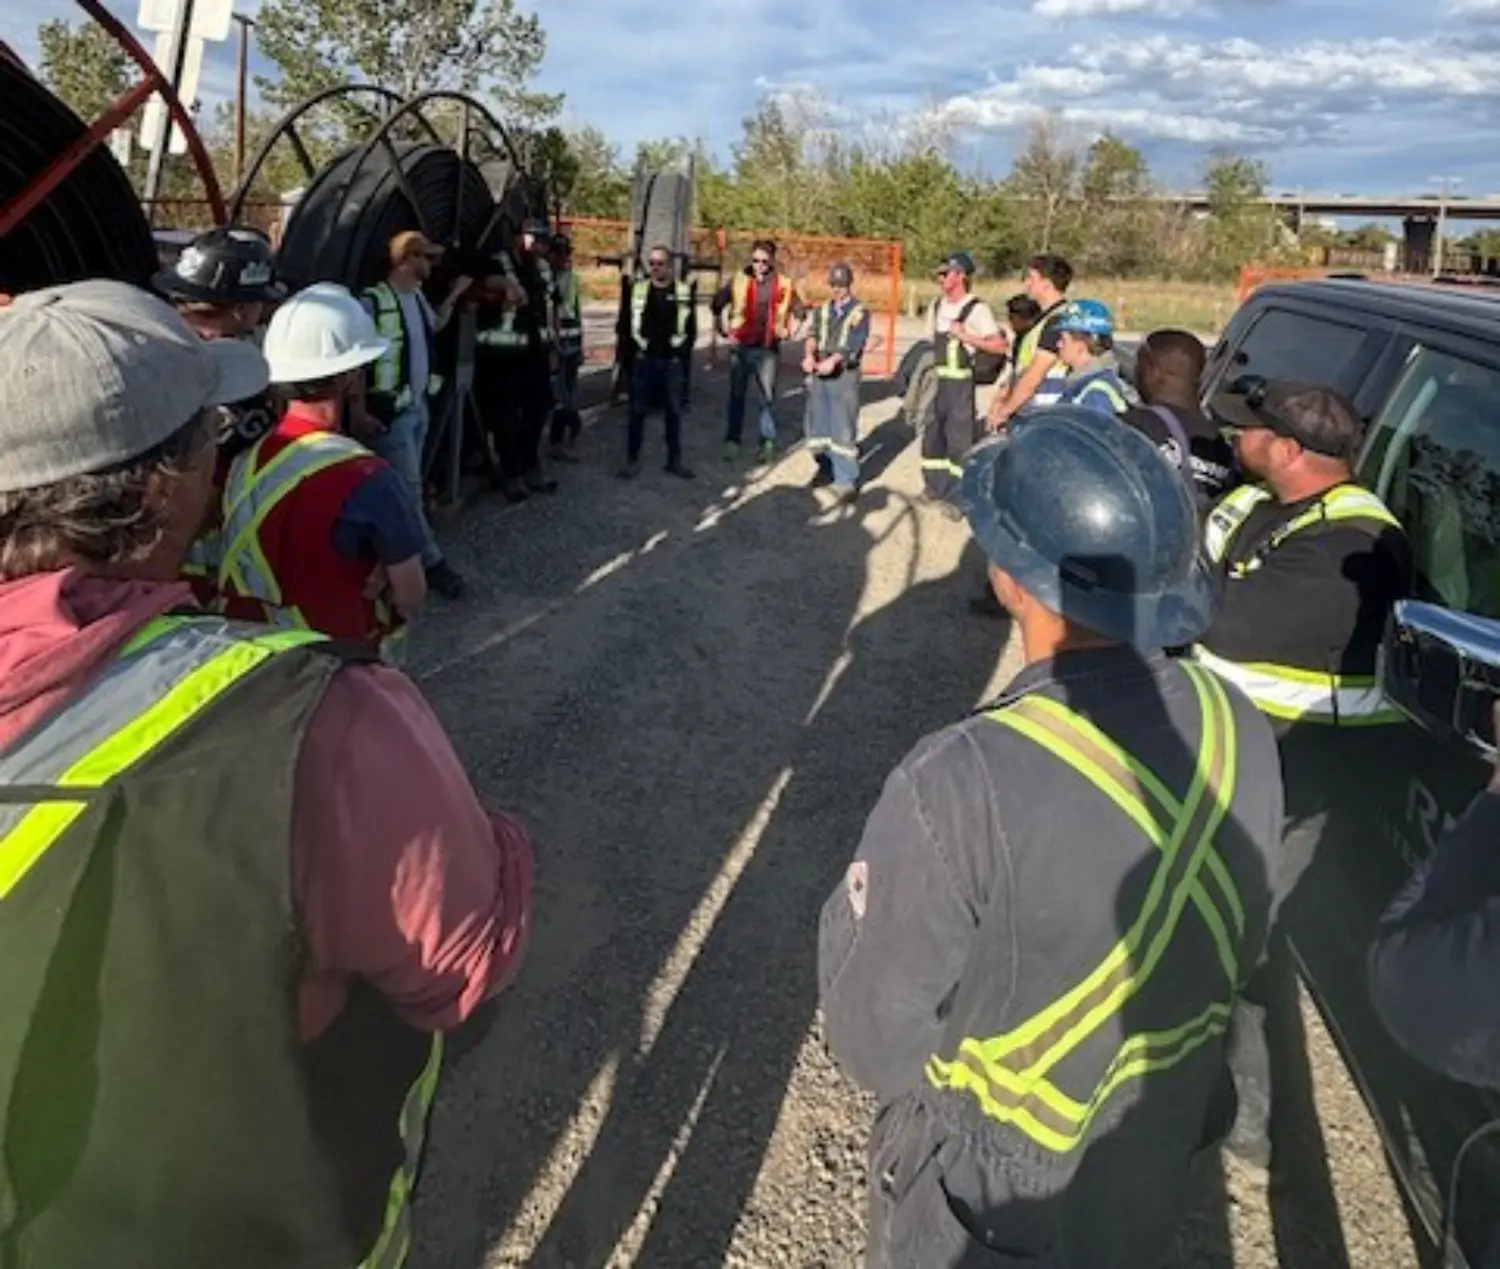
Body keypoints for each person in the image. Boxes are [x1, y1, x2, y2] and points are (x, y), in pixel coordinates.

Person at [0, 278, 532, 1266]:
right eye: (204, 431)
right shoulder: (334, 718)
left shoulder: (259, 470)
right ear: (160, 488)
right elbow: (462, 970)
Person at [819, 406, 1282, 1268]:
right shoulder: (1237, 723)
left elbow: (873, 1034)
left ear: (1011, 576)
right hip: (1150, 1149)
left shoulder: (959, 780)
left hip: (991, 1196)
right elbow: (1242, 940)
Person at [1192, 374, 1412, 1169]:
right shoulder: (1263, 503)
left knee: (1242, 944)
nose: (1232, 439)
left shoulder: (1352, 545)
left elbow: (1214, 616)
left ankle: (1245, 1117)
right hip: (1228, 758)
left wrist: (1181, 579)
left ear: (1288, 449)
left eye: (1247, 430)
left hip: (1293, 779)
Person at [218, 283, 430, 663]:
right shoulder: (369, 477)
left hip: (250, 662)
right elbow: (410, 595)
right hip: (337, 665)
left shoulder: (244, 462)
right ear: (349, 376)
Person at [152, 226, 287, 606]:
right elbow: (215, 485)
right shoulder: (239, 381)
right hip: (196, 547)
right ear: (243, 308)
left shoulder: (153, 346)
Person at [356, 230, 471, 600]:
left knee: (410, 486)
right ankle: (432, 565)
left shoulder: (416, 296)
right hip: (391, 415)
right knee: (408, 490)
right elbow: (355, 363)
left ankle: (395, 552)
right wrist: (359, 412)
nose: (431, 264)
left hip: (417, 406)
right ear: (408, 259)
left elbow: (434, 326)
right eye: (426, 257)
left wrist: (453, 296)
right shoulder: (373, 302)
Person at [475, 221, 561, 501]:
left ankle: (529, 464)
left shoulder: (543, 268)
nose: (539, 246)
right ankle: (512, 474)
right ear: (518, 238)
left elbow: (553, 306)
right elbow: (482, 281)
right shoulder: (499, 262)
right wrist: (506, 283)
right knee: (506, 417)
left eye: (543, 241)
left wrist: (554, 347)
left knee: (540, 408)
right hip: (504, 356)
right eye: (534, 239)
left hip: (536, 352)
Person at [920, 251, 1007, 514]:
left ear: (960, 276)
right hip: (939, 383)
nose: (940, 278)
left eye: (945, 274)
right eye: (939, 274)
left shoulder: (977, 309)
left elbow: (1000, 346)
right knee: (933, 436)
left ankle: (958, 497)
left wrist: (967, 337)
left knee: (960, 442)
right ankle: (934, 488)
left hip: (960, 385)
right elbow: (929, 343)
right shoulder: (936, 306)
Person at [1120, 329, 1237, 510]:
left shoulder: (1129, 428)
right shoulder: (1223, 445)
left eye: (1138, 364)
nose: (1134, 371)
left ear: (1152, 370)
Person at [711, 238, 801, 464]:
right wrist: (721, 327)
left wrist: (792, 331)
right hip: (741, 347)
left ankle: (767, 443)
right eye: (755, 260)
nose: (759, 265)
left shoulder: (783, 283)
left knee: (766, 399)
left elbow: (799, 309)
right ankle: (732, 441)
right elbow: (717, 303)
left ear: (772, 261)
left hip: (768, 349)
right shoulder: (739, 280)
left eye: (763, 261)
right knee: (736, 396)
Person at [615, 243, 697, 480]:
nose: (655, 268)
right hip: (644, 360)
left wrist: (682, 355)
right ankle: (632, 460)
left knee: (673, 413)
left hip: (671, 361)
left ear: (670, 266)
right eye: (651, 263)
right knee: (637, 412)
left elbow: (690, 329)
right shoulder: (638, 290)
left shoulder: (682, 291)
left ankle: (674, 461)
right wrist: (629, 360)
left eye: (660, 263)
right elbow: (625, 325)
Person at [801, 261, 870, 503]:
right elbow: (812, 335)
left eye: (841, 285)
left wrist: (834, 360)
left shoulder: (859, 312)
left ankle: (846, 480)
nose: (837, 289)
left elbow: (854, 343)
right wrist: (809, 356)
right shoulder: (823, 310)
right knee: (818, 425)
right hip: (820, 373)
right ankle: (825, 468)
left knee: (843, 427)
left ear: (849, 284)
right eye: (834, 285)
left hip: (844, 375)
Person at [986, 252, 1073, 430]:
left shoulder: (1058, 321)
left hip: (1045, 416)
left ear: (1046, 284)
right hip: (1033, 413)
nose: (1027, 283)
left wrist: (1004, 411)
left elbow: (1035, 373)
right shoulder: (1044, 320)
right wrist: (1003, 394)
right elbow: (1022, 368)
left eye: (1032, 278)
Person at [1054, 299, 1130, 416]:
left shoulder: (1096, 394)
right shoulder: (1084, 383)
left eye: (1063, 340)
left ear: (1081, 344)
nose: (1058, 344)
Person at [547, 231, 586, 463]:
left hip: (571, 344)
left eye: (566, 253)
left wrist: (581, 347)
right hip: (555, 346)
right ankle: (559, 440)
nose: (563, 258)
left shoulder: (572, 279)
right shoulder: (546, 279)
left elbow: (577, 312)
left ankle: (562, 441)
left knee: (569, 395)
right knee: (559, 398)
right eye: (558, 253)